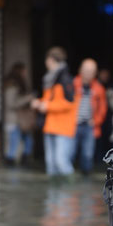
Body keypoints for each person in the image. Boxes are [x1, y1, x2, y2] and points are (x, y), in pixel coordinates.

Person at [31, 47, 76, 178]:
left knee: (61, 162)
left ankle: (70, 192)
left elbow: (69, 102)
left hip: (62, 128)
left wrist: (47, 106)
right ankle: (54, 197)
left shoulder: (64, 78)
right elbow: (49, 100)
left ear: (51, 60)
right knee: (51, 164)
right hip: (50, 125)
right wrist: (39, 103)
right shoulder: (51, 79)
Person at [73, 59, 107, 175]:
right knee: (70, 153)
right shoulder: (72, 84)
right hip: (73, 125)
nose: (88, 73)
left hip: (89, 126)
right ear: (80, 70)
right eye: (86, 70)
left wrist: (96, 121)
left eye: (91, 71)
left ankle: (85, 179)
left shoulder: (98, 88)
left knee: (87, 155)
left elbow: (103, 108)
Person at [3, 62, 35, 166]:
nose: (25, 73)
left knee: (27, 140)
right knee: (14, 142)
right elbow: (11, 103)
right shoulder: (12, 85)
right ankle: (11, 162)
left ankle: (23, 159)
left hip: (21, 119)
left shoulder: (19, 84)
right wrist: (27, 98)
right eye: (23, 71)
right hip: (15, 119)